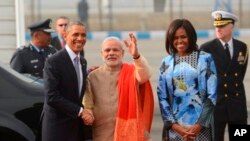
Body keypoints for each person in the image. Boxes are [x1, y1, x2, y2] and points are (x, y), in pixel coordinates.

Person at [82, 33, 154, 141]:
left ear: (122, 53)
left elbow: (145, 75)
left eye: (115, 50)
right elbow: (88, 105)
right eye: (107, 50)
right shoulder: (92, 77)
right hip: (102, 135)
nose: (111, 53)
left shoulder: (132, 72)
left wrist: (136, 56)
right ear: (102, 54)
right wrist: (88, 114)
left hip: (130, 135)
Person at [157, 19, 217, 141]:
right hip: (175, 130)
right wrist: (174, 126)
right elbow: (162, 97)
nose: (179, 41)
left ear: (191, 37)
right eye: (175, 37)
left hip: (202, 128)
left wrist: (198, 125)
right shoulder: (166, 62)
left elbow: (212, 95)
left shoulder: (206, 59)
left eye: (183, 37)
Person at [200, 10, 249, 141]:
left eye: (222, 25)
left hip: (238, 106)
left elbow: (239, 75)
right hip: (216, 107)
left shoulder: (242, 47)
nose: (218, 29)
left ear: (231, 26)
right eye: (216, 25)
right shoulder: (206, 49)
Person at [41, 21, 92, 141]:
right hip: (57, 129)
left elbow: (74, 88)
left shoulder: (82, 62)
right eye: (75, 34)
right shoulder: (54, 61)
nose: (80, 38)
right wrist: (80, 111)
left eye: (83, 35)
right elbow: (51, 96)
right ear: (65, 36)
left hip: (75, 128)